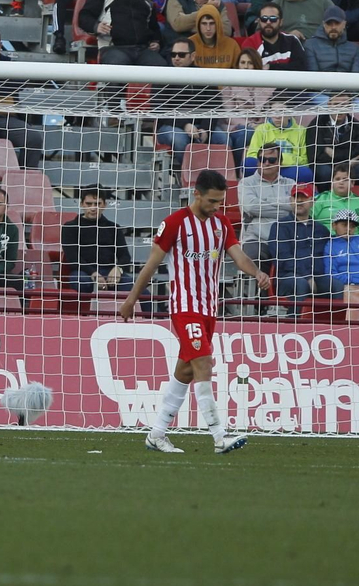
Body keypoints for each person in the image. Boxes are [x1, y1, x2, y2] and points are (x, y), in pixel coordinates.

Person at [121, 170, 269, 453]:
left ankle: (157, 434)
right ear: (197, 194)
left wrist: (257, 273)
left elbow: (238, 256)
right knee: (204, 363)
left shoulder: (222, 224)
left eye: (220, 202)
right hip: (184, 306)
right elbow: (151, 265)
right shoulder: (175, 223)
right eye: (212, 201)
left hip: (208, 307)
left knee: (186, 370)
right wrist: (131, 299)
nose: (216, 207)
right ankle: (219, 436)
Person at [62, 189, 134, 294]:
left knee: (139, 291)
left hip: (109, 271)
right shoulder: (70, 227)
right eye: (89, 204)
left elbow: (125, 256)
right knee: (82, 282)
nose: (93, 208)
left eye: (97, 204)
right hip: (83, 272)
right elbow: (73, 258)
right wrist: (93, 273)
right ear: (82, 204)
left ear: (104, 205)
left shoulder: (113, 227)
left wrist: (118, 269)